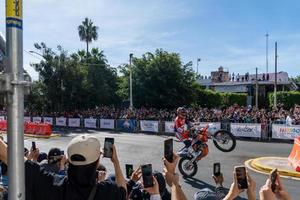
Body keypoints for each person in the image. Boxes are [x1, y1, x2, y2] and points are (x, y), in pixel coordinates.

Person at [0, 134, 127, 200]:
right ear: (98, 160)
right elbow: (123, 190)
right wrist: (115, 161)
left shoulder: (50, 184)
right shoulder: (107, 192)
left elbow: (6, 155)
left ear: (67, 160)